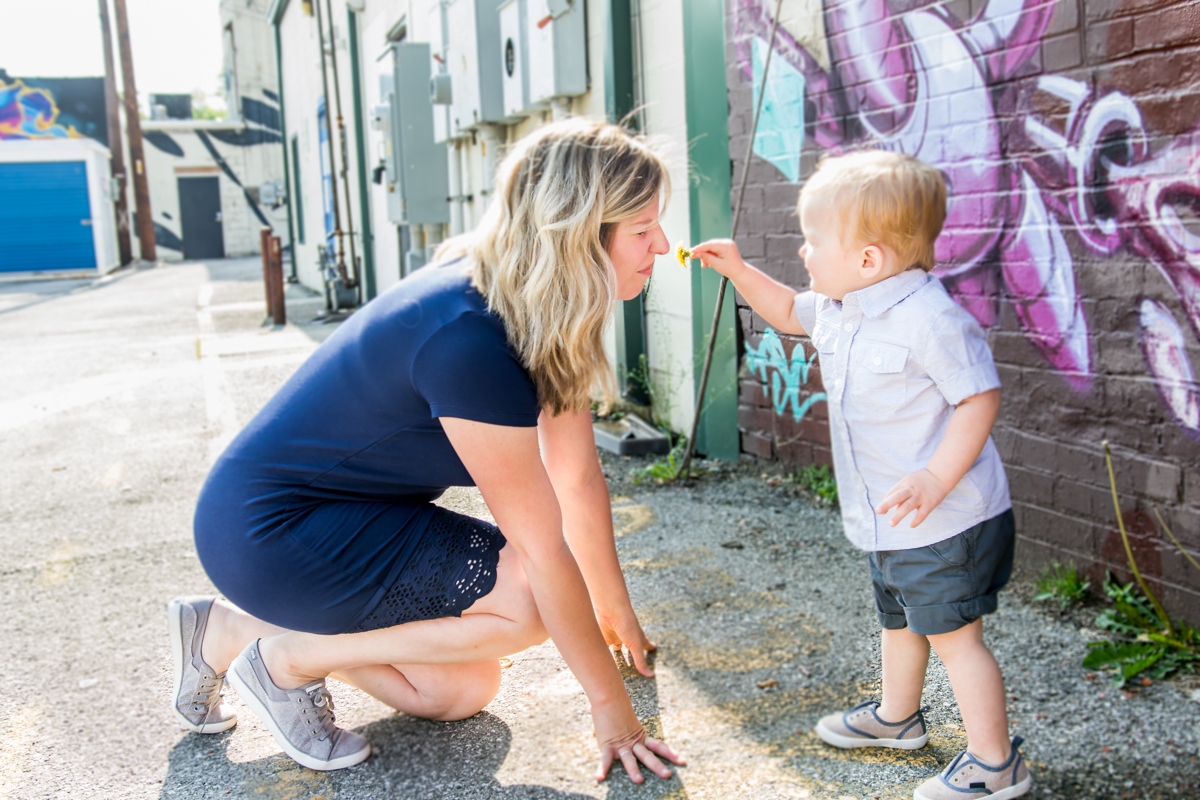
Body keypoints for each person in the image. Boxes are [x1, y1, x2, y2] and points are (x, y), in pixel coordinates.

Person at [169, 117, 686, 783]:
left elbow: (578, 479)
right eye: (644, 230)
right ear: (579, 234)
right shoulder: (470, 338)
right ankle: (285, 663)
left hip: (352, 514)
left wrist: (616, 610)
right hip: (272, 533)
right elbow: (541, 545)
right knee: (528, 599)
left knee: (460, 691)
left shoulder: (541, 303)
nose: (664, 245)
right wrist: (612, 709)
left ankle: (228, 633)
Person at [688, 150, 1031, 800]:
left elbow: (978, 398)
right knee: (899, 620)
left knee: (957, 640)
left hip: (945, 517)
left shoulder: (931, 319)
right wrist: (738, 271)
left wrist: (935, 476)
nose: (805, 251)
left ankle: (995, 762)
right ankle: (898, 719)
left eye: (814, 240)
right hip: (890, 517)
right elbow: (790, 311)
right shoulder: (843, 307)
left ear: (868, 258)